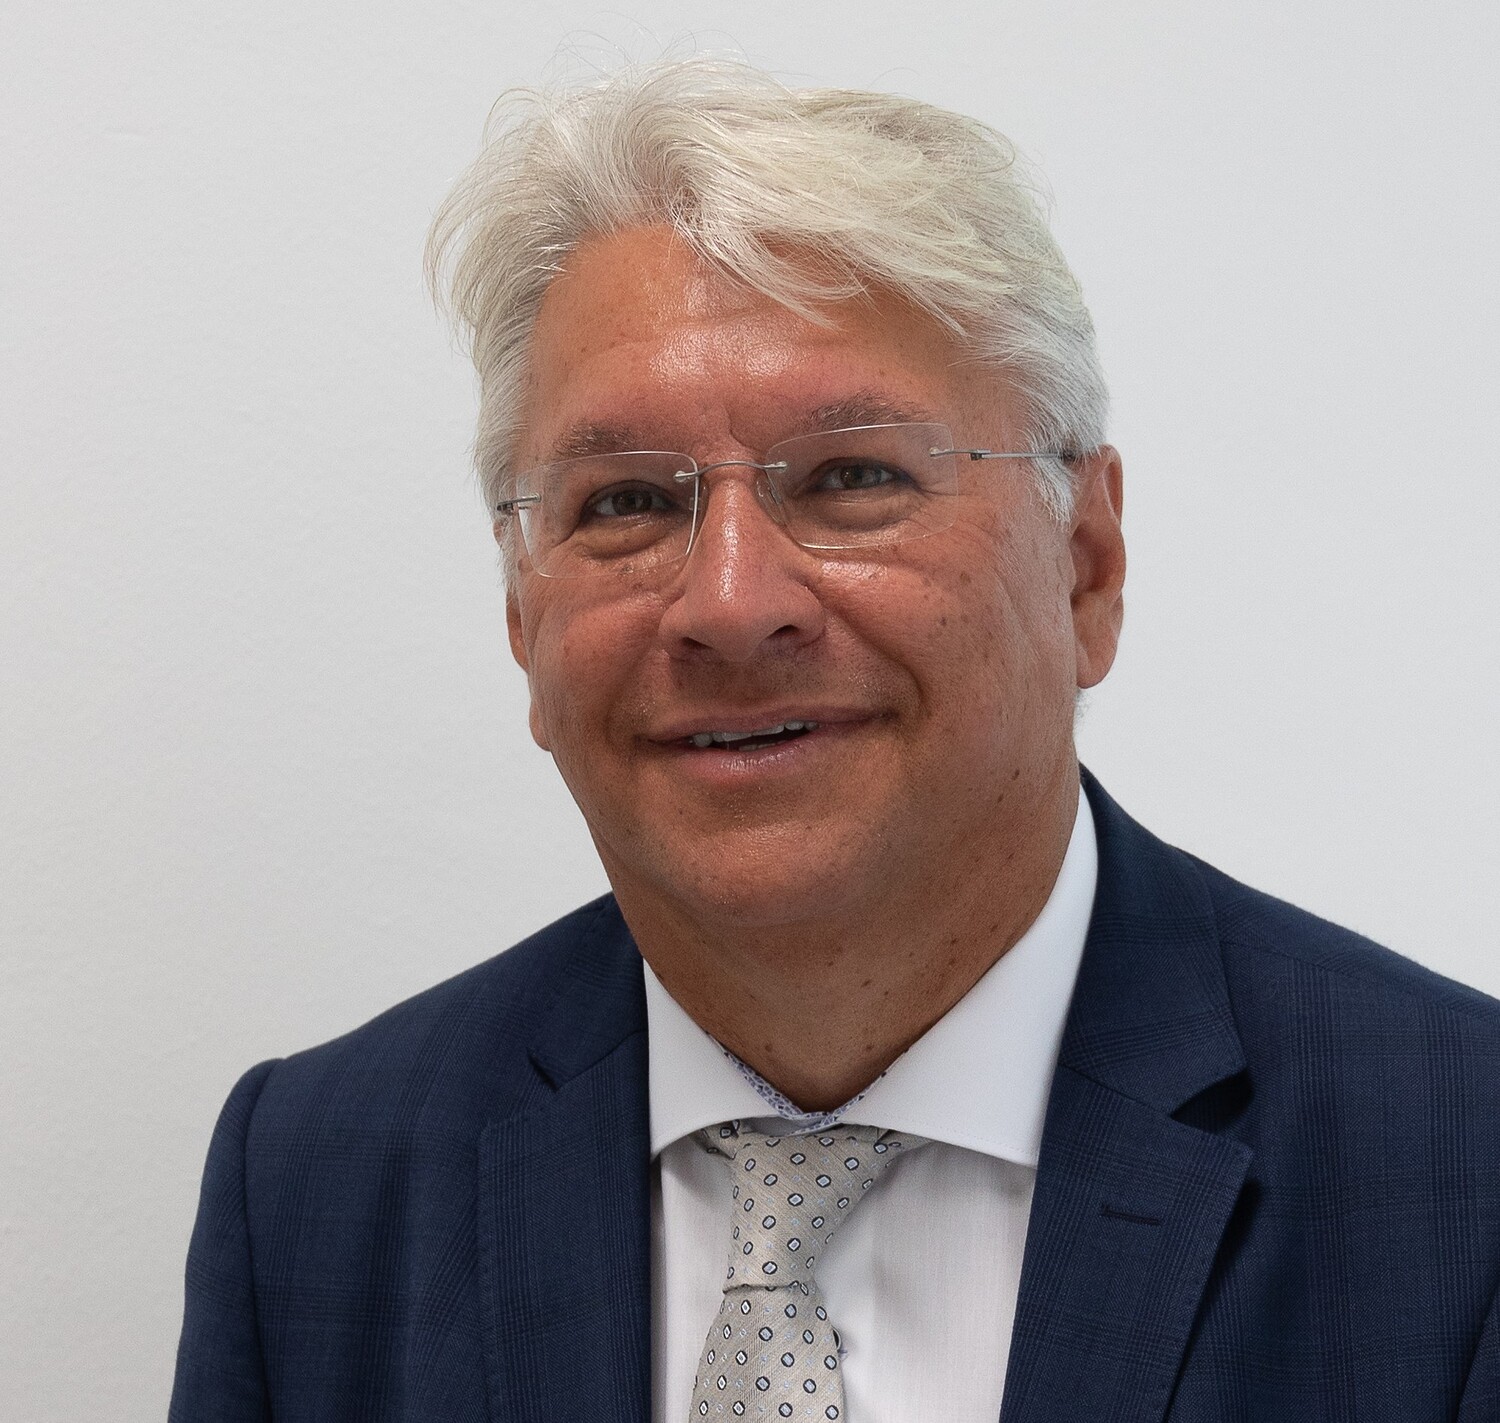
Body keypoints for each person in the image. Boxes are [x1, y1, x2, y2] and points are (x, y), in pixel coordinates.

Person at [169, 58, 1500, 1423]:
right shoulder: (319, 1186)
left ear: (1086, 566)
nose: (729, 604)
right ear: (522, 615)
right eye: (625, 502)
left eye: (852, 476)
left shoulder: (1462, 1173)